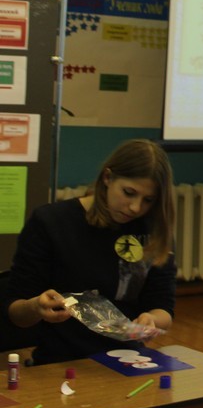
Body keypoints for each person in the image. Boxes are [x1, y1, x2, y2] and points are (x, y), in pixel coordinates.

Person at [3, 139, 177, 365]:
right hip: (60, 361)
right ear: (107, 178)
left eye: (148, 200)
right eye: (128, 193)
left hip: (128, 359)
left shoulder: (152, 229)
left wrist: (151, 319)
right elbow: (16, 312)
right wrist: (36, 306)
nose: (135, 207)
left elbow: (163, 307)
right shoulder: (52, 223)